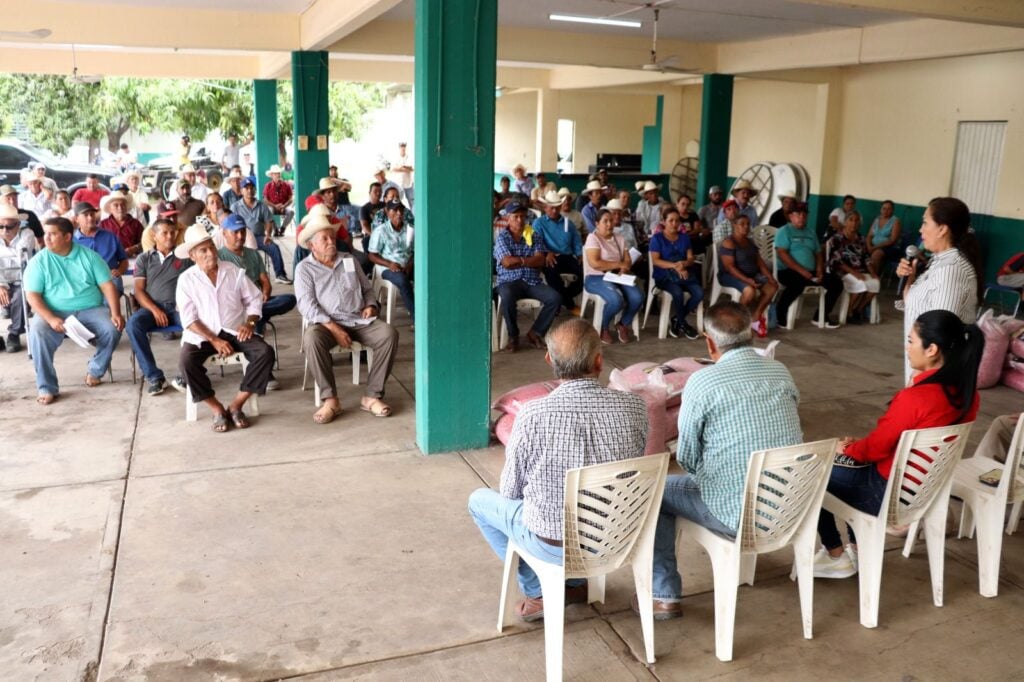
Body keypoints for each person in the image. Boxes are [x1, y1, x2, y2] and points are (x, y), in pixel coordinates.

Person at [469, 318, 648, 621]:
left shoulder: (532, 415)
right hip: (617, 537)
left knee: (479, 501)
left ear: (549, 359)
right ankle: (574, 585)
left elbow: (510, 492)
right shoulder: (635, 407)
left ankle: (538, 591)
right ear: (599, 360)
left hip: (553, 545)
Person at [648, 302, 802, 617]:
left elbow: (688, 457)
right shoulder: (780, 371)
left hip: (736, 515)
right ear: (751, 333)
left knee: (656, 491)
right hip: (792, 504)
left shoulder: (703, 382)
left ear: (709, 342)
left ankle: (664, 595)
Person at [813, 310, 982, 578]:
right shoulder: (967, 395)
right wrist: (857, 448)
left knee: (815, 470)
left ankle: (835, 553)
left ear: (932, 349)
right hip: (923, 490)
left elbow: (873, 451)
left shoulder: (917, 397)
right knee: (844, 461)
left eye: (911, 340)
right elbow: (891, 443)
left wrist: (846, 449)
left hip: (885, 492)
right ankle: (857, 548)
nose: (907, 347)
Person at [295, 215, 399, 423]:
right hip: (326, 324)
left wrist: (370, 305)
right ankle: (331, 400)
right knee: (311, 339)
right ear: (311, 245)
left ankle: (371, 396)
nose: (331, 242)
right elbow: (306, 305)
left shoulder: (349, 260)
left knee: (389, 334)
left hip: (357, 319)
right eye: (324, 239)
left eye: (332, 237)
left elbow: (367, 289)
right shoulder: (304, 269)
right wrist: (334, 328)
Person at [175, 224, 275, 432]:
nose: (210, 252)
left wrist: (250, 322)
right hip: (202, 335)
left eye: (211, 247)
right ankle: (217, 409)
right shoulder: (186, 280)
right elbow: (189, 319)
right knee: (186, 362)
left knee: (265, 352)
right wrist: (214, 340)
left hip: (234, 330)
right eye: (203, 250)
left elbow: (254, 299)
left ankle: (236, 405)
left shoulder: (233, 271)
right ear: (192, 256)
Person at [24, 217, 125, 404]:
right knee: (37, 332)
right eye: (46, 234)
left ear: (67, 236)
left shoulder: (90, 257)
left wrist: (116, 313)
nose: (46, 238)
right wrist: (50, 318)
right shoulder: (39, 261)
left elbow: (108, 287)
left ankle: (95, 369)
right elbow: (33, 297)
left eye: (52, 234)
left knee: (113, 328)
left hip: (90, 308)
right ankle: (46, 386)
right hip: (53, 311)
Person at [897, 197, 977, 384]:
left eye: (925, 222)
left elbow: (941, 333)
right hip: (924, 367)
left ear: (942, 229)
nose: (920, 229)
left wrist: (919, 377)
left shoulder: (950, 270)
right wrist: (909, 278)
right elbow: (914, 306)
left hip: (935, 377)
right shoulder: (938, 262)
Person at [125, 218, 192, 396]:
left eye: (173, 232)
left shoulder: (185, 256)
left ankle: (186, 375)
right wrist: (155, 310)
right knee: (133, 324)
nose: (170, 236)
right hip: (151, 308)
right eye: (165, 233)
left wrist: (185, 303)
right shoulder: (144, 259)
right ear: (155, 236)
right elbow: (139, 291)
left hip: (180, 307)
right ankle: (154, 377)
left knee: (196, 325)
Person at [493, 201, 562, 352]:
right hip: (509, 281)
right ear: (508, 219)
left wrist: (520, 260)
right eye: (516, 216)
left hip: (532, 281)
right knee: (507, 295)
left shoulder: (533, 235)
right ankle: (513, 337)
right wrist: (528, 261)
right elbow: (506, 262)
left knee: (554, 298)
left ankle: (535, 333)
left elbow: (541, 260)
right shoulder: (502, 238)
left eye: (522, 217)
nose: (520, 220)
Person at [217, 212, 296, 343]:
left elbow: (265, 280)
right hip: (236, 305)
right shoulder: (219, 257)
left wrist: (265, 293)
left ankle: (255, 316)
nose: (240, 236)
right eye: (235, 232)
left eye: (243, 232)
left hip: (258, 300)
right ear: (224, 233)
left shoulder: (253, 254)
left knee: (290, 299)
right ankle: (256, 319)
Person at [775, 202, 843, 328]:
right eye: (798, 214)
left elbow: (818, 253)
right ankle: (781, 315)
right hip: (787, 271)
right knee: (797, 283)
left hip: (810, 272)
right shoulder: (784, 231)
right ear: (791, 216)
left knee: (836, 283)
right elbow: (782, 254)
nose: (801, 217)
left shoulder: (810, 232)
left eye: (804, 214)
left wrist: (819, 269)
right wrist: (801, 271)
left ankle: (820, 317)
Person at [584, 208, 643, 344]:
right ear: (597, 223)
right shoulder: (592, 238)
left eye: (611, 220)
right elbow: (596, 263)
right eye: (605, 221)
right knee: (616, 300)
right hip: (595, 277)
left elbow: (627, 259)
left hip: (617, 276)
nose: (609, 224)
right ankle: (603, 328)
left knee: (638, 297)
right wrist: (619, 264)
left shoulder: (619, 238)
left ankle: (622, 324)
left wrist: (625, 267)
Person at [718, 214, 777, 336]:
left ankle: (755, 317)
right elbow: (730, 267)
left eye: (747, 224)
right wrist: (747, 280)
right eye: (742, 224)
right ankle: (736, 322)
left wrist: (771, 278)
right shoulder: (729, 242)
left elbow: (760, 263)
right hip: (730, 276)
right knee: (749, 291)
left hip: (752, 275)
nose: (746, 227)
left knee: (772, 287)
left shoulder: (750, 242)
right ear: (735, 225)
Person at [650, 207, 704, 340]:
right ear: (664, 222)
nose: (674, 224)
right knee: (678, 293)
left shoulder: (684, 237)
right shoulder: (657, 238)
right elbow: (656, 261)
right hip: (664, 275)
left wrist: (683, 264)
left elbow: (690, 258)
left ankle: (676, 320)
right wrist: (674, 266)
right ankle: (683, 324)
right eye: (671, 221)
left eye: (677, 220)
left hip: (684, 273)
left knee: (699, 293)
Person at [531, 190, 583, 314]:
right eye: (551, 208)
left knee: (586, 274)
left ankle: (562, 300)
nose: (554, 211)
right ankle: (569, 304)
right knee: (551, 273)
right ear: (545, 207)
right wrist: (547, 252)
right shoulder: (539, 223)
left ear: (560, 207)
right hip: (549, 256)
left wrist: (580, 254)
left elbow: (576, 240)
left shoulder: (567, 223)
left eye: (557, 208)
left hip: (567, 256)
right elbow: (536, 242)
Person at [232, 178, 290, 284]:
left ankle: (280, 274)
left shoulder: (261, 205)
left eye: (251, 188)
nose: (249, 190)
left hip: (259, 237)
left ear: (255, 190)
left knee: (274, 247)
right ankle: (244, 278)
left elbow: (269, 221)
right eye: (246, 188)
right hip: (242, 239)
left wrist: (268, 234)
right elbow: (232, 225)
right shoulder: (235, 207)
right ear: (241, 191)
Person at [367, 199, 415, 324]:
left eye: (401, 210)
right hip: (388, 267)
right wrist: (389, 264)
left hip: (408, 265)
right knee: (402, 280)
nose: (399, 213)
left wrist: (410, 264)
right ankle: (418, 319)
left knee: (427, 275)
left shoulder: (410, 229)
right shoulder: (381, 231)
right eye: (395, 210)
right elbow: (372, 255)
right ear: (387, 212)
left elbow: (415, 251)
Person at [828, 211, 879, 324]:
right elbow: (837, 261)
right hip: (842, 271)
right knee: (860, 283)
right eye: (851, 220)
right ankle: (848, 312)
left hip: (860, 270)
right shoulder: (837, 238)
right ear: (845, 222)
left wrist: (872, 272)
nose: (854, 223)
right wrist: (854, 273)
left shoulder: (861, 239)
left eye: (856, 220)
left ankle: (858, 310)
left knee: (875, 283)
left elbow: (866, 258)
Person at [0, 204, 36, 352]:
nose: (4, 231)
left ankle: (14, 334)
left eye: (9, 227)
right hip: (2, 280)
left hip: (22, 278)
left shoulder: (27, 233)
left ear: (18, 224)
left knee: (21, 296)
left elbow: (21, 255)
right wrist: (1, 285)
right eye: (0, 226)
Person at [72, 202, 128, 295]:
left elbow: (124, 260)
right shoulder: (72, 242)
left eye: (92, 214)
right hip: (84, 282)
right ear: (77, 219)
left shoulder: (110, 236)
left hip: (110, 278)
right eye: (86, 215)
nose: (90, 218)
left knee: (107, 299)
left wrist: (119, 271)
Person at [99, 193, 144, 257]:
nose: (120, 208)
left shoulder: (136, 223)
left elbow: (144, 241)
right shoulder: (103, 224)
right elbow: (97, 243)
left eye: (123, 205)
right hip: (110, 260)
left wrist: (135, 248)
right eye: (116, 205)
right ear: (110, 209)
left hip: (132, 259)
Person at [865, 200, 902, 275]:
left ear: (892, 210)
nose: (886, 211)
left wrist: (874, 248)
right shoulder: (877, 219)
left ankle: (874, 277)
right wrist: (869, 246)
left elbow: (892, 240)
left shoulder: (895, 221)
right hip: (873, 246)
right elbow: (869, 235)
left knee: (876, 254)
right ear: (881, 209)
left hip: (889, 247)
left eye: (889, 209)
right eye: (884, 208)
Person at [262, 164, 294, 237]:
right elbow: (265, 199)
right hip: (273, 207)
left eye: (278, 173)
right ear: (271, 175)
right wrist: (274, 206)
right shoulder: (268, 186)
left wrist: (284, 206)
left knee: (291, 212)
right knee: (268, 211)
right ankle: (275, 229)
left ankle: (282, 229)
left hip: (284, 206)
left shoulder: (286, 185)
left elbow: (291, 199)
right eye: (275, 173)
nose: (277, 175)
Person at [359, 182, 385, 254]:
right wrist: (375, 235)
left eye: (380, 191)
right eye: (375, 191)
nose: (378, 193)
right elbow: (364, 225)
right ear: (370, 192)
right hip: (372, 234)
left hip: (386, 233)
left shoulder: (385, 205)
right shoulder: (364, 208)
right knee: (366, 241)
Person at [391, 141, 414, 210]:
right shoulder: (395, 157)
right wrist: (404, 168)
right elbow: (393, 169)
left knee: (412, 201)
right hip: (398, 183)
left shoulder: (409, 157)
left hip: (408, 184)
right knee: (397, 201)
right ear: (399, 148)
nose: (403, 148)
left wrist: (402, 168)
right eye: (401, 147)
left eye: (404, 147)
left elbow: (412, 168)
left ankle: (413, 216)